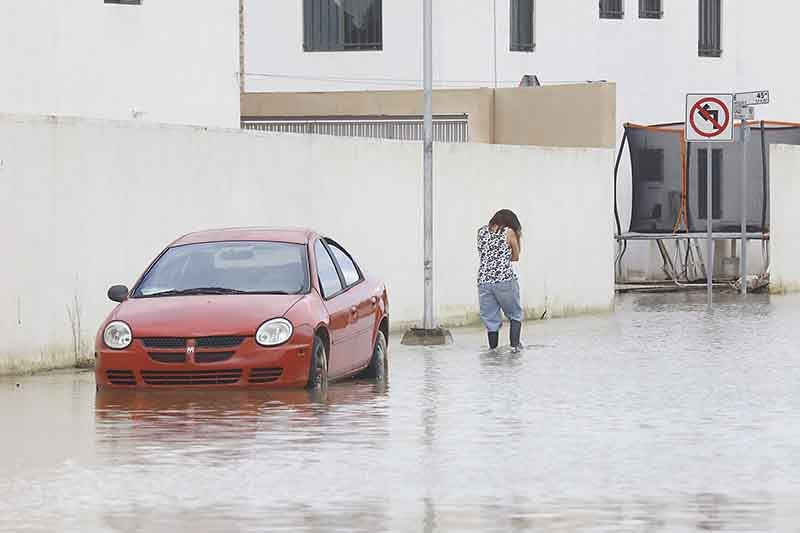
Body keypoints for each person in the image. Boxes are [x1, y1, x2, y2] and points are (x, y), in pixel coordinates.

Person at [476, 209, 523, 352]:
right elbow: (515, 257)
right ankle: (515, 348)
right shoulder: (508, 232)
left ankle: (493, 351)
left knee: (490, 319)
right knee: (514, 314)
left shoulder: (481, 232)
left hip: (484, 281)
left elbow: (483, 254)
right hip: (504, 280)